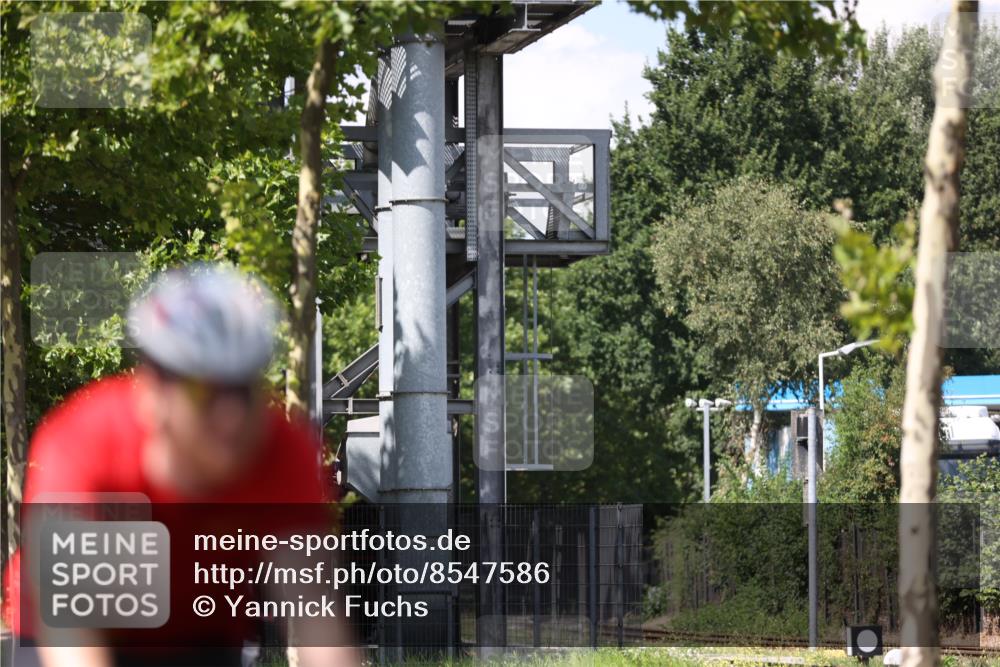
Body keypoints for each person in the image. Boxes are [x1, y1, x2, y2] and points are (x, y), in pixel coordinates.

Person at [2, 264, 359, 667]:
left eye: (242, 389)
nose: (230, 415)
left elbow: (319, 619)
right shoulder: (84, 443)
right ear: (154, 392)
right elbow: (71, 635)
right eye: (202, 391)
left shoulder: (283, 449)